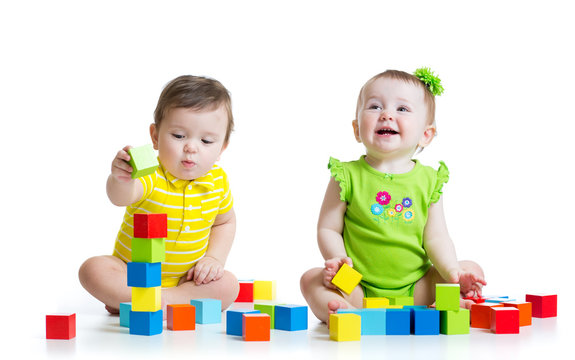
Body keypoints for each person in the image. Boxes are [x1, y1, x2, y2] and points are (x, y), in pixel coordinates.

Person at [300, 68, 486, 323]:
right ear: (356, 129)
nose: (386, 114)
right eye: (375, 106)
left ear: (426, 134)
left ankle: (441, 304)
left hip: (417, 288)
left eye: (402, 109)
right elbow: (328, 229)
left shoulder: (429, 180)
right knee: (310, 279)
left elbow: (436, 237)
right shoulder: (346, 175)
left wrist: (454, 272)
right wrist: (337, 259)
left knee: (471, 267)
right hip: (358, 286)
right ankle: (347, 313)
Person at [79, 75, 239, 314]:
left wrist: (214, 259)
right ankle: (151, 298)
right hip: (131, 273)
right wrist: (122, 178)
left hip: (186, 279)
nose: (191, 148)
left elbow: (225, 222)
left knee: (228, 285)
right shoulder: (151, 174)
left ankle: (155, 301)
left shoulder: (217, 181)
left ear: (222, 148)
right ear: (155, 136)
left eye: (206, 140)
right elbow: (120, 197)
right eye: (178, 136)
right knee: (93, 269)